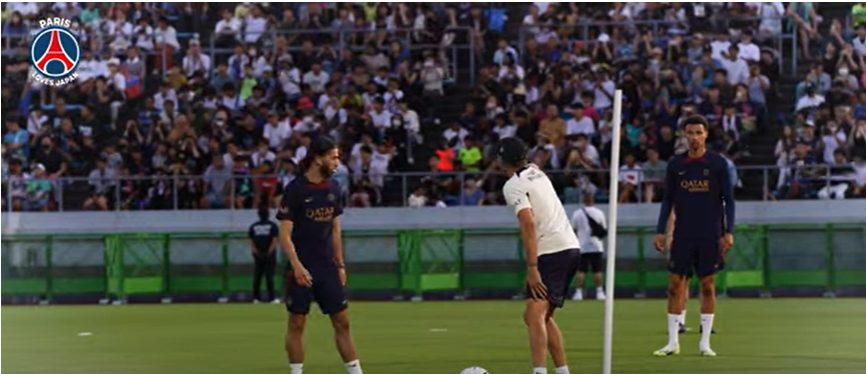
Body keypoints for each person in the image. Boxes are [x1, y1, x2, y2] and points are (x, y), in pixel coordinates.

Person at [276, 136, 363, 374]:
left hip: (327, 268)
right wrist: (296, 266)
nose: (337, 162)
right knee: (297, 323)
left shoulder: (334, 189)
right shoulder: (295, 189)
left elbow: (335, 229)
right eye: (333, 157)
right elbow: (284, 234)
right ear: (317, 158)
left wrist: (340, 265)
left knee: (343, 323)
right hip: (301, 268)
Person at [653, 115, 735, 357]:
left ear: (706, 134)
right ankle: (672, 342)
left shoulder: (718, 164)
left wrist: (729, 231)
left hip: (710, 234)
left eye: (699, 132)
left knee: (708, 286)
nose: (694, 137)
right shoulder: (676, 165)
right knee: (675, 285)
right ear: (684, 135)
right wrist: (660, 230)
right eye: (690, 133)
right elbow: (667, 200)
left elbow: (728, 200)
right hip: (683, 234)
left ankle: (705, 343)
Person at [499, 137, 580, 374]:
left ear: (500, 161)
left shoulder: (513, 185)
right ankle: (563, 371)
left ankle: (539, 371)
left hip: (552, 251)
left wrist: (532, 267)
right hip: (570, 248)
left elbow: (528, 224)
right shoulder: (538, 173)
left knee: (535, 315)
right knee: (538, 316)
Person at [570, 193, 607, 301]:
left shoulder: (577, 213)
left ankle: (578, 293)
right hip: (597, 245)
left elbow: (573, 229)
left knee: (581, 271)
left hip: (582, 246)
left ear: (583, 201)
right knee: (598, 271)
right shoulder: (599, 213)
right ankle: (599, 292)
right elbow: (603, 228)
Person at [249, 206, 279, 303]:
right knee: (269, 277)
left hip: (258, 255)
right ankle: (271, 298)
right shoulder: (273, 225)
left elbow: (251, 242)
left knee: (257, 277)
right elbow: (274, 241)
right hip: (269, 255)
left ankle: (256, 298)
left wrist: (256, 253)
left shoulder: (253, 226)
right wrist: (269, 252)